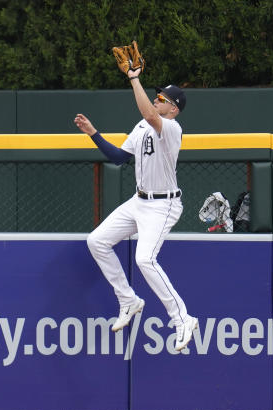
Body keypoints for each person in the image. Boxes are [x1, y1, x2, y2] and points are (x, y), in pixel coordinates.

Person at [74, 64, 198, 352]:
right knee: (97, 241)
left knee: (145, 259)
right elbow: (119, 157)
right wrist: (94, 134)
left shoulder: (170, 127)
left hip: (163, 204)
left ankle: (182, 319)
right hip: (139, 201)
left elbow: (149, 114)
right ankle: (128, 299)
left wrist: (134, 78)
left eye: (163, 99)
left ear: (174, 109)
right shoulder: (143, 126)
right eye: (156, 96)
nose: (157, 99)